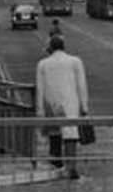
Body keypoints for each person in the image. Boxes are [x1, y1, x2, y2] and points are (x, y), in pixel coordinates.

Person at [34, 32, 90, 179]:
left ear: (50, 48)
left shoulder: (43, 64)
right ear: (64, 47)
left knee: (55, 135)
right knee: (71, 135)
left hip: (51, 105)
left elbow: (40, 89)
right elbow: (81, 86)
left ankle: (57, 166)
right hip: (71, 103)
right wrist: (84, 107)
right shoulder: (75, 61)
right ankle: (71, 167)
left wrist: (39, 110)